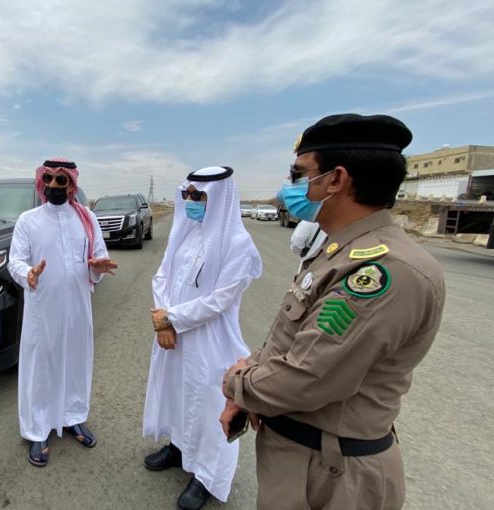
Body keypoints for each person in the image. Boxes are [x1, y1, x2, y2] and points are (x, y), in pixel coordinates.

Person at [220, 113, 446, 510]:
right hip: (306, 461)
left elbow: (307, 377)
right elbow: (290, 340)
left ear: (336, 180)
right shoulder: (338, 250)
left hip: (330, 475)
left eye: (299, 174)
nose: (290, 184)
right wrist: (253, 383)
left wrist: (237, 383)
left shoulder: (381, 271)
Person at [142, 166, 263, 510]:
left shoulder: (238, 244)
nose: (192, 201)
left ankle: (208, 477)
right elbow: (161, 276)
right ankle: (179, 448)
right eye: (188, 195)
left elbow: (219, 300)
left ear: (220, 197)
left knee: (209, 405)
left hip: (210, 342)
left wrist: (171, 319)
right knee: (177, 393)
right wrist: (164, 321)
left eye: (199, 195)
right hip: (173, 337)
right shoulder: (186, 232)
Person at [8, 157, 117, 467]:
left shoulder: (86, 218)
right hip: (42, 309)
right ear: (42, 181)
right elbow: (15, 261)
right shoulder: (28, 220)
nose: (53, 184)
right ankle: (37, 429)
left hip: (78, 308)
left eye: (61, 179)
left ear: (71, 184)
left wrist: (98, 267)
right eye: (49, 179)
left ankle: (74, 417)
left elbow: (98, 256)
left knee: (76, 362)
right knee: (41, 367)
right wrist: (28, 273)